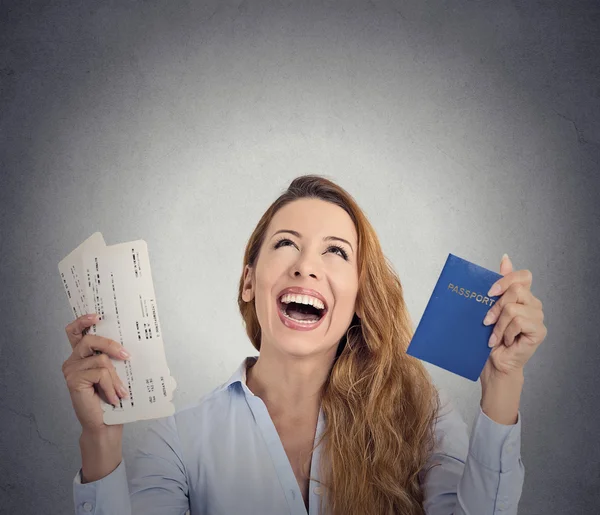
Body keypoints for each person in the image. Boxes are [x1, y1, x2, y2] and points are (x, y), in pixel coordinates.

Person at [63, 175, 533, 515]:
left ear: (357, 296)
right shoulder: (179, 443)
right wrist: (100, 438)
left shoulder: (422, 416)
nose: (306, 266)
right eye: (286, 243)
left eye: (335, 251)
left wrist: (503, 384)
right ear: (249, 281)